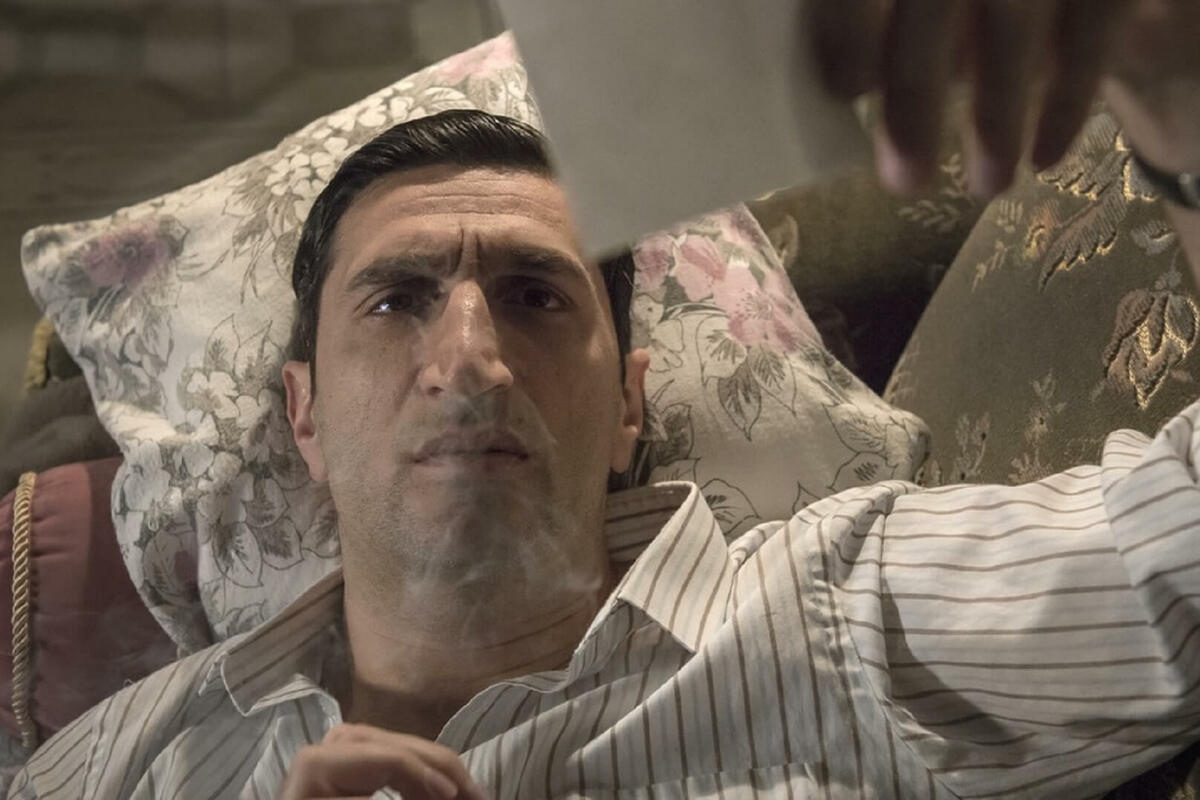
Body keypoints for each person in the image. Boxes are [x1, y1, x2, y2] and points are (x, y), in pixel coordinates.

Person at [10, 1, 1200, 798]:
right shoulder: (121, 760)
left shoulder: (839, 615)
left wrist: (1174, 80)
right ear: (304, 415)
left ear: (630, 405)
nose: (469, 358)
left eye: (535, 296)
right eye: (397, 300)